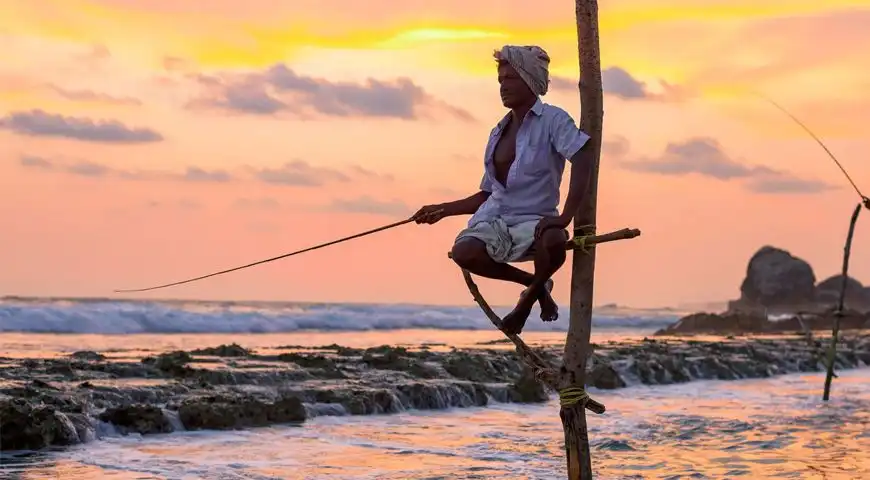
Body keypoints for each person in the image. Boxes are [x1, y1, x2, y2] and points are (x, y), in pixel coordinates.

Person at [412, 45, 595, 335]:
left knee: (554, 239)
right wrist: (442, 210)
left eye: (509, 79)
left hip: (536, 218)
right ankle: (536, 287)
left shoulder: (553, 120)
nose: (503, 86)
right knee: (464, 252)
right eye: (500, 80)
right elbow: (488, 193)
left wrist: (565, 217)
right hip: (496, 219)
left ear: (529, 80)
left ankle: (524, 305)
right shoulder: (498, 131)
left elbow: (583, 157)